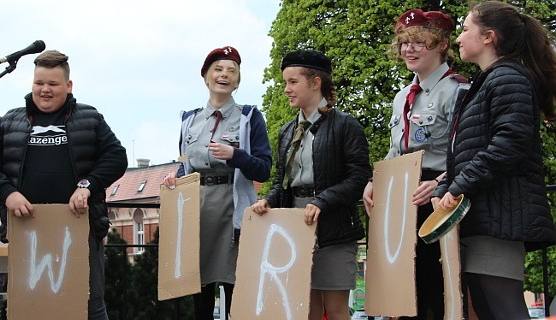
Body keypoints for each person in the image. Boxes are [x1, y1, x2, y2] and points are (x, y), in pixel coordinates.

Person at [0, 50, 127, 320]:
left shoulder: (90, 119)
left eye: (53, 84)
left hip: (81, 228)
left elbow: (116, 157)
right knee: (31, 307)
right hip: (27, 231)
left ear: (68, 87)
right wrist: (7, 194)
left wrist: (88, 185)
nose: (44, 90)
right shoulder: (10, 122)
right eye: (39, 83)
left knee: (89, 304)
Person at [432, 1, 556, 319]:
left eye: (464, 29)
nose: (459, 38)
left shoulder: (507, 79)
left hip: (500, 217)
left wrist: (458, 184)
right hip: (488, 217)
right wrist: (447, 183)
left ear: (488, 36)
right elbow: (469, 152)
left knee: (504, 310)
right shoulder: (490, 81)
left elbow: (509, 145)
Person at [362, 9, 469, 319]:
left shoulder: (458, 90)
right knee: (403, 292)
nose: (408, 49)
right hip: (401, 196)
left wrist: (440, 183)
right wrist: (375, 181)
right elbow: (396, 149)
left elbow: (464, 151)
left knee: (437, 288)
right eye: (404, 42)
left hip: (436, 196)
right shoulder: (402, 96)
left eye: (419, 42)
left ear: (442, 45)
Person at [251, 50, 371, 320]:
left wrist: (323, 200)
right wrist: (268, 200)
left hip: (334, 229)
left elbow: (358, 176)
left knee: (337, 310)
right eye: (285, 83)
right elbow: (284, 182)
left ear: (315, 83)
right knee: (307, 309)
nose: (286, 89)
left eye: (293, 82)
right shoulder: (286, 130)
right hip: (296, 227)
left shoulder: (346, 126)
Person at [163, 45, 272, 319]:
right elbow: (185, 163)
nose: (224, 75)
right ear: (206, 76)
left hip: (233, 208)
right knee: (199, 290)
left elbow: (263, 170)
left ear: (237, 81)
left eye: (231, 71)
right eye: (218, 69)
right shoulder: (189, 120)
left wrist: (235, 155)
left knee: (236, 287)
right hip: (198, 211)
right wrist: (175, 176)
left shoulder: (249, 117)